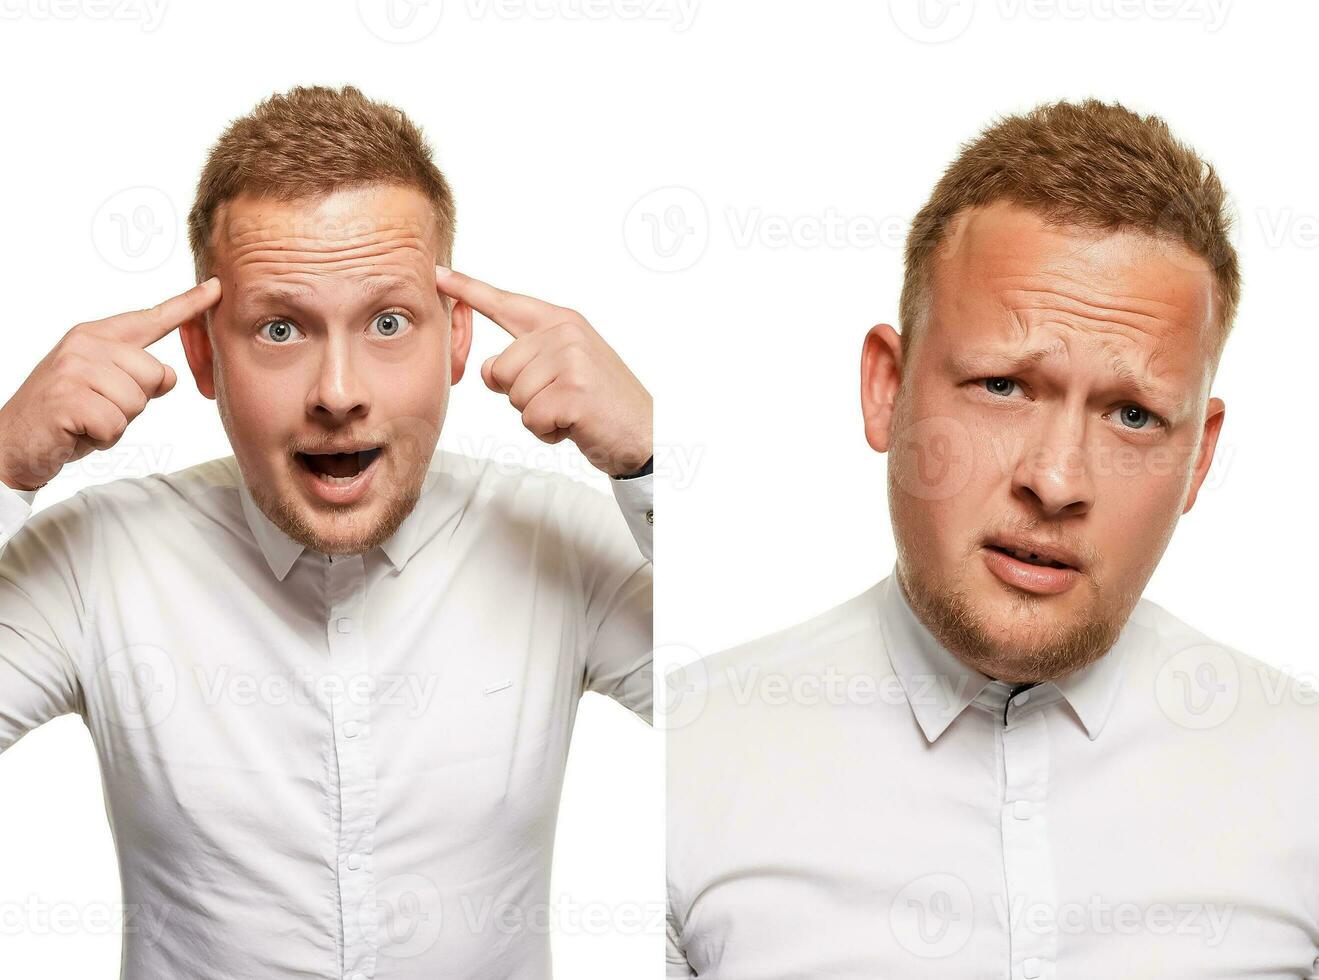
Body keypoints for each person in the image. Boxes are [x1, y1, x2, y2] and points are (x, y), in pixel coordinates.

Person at [0, 85, 653, 979]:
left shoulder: (561, 543)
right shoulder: (94, 559)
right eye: (279, 328)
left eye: (388, 322)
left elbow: (757, 714)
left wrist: (651, 461)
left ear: (456, 340)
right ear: (202, 355)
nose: (338, 392)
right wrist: (1, 466)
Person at [666, 100, 1319, 978]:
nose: (1054, 482)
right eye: (1004, 386)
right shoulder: (683, 762)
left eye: (1131, 415)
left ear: (1197, 457)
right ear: (885, 389)